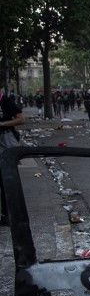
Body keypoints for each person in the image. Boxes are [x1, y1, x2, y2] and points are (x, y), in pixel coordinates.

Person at [0, 88, 26, 226]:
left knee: (5, 178)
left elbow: (21, 119)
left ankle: (7, 214)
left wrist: (2, 124)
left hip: (5, 141)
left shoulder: (5, 101)